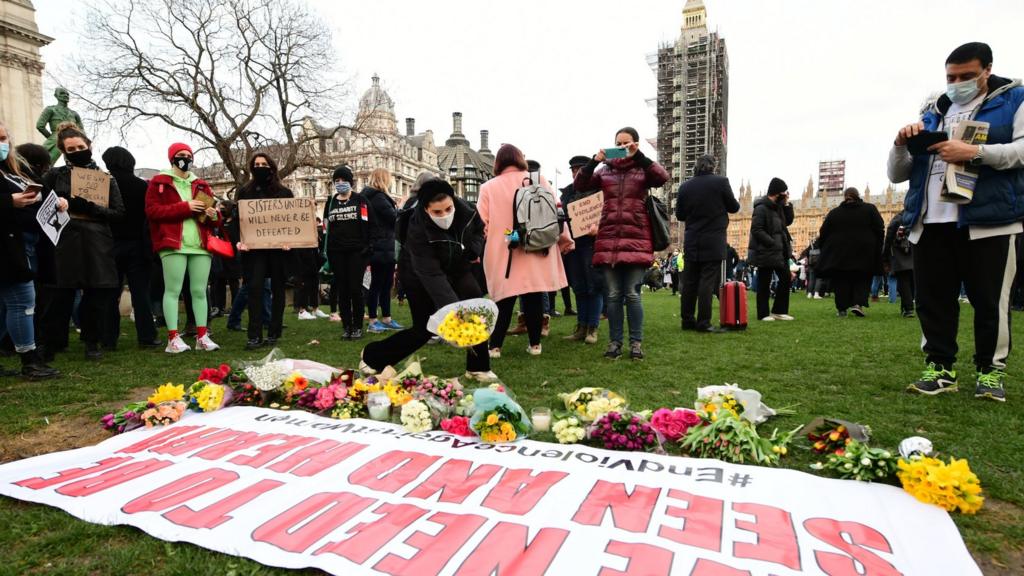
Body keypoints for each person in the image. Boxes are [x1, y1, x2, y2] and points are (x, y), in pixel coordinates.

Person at [889, 42, 1024, 401]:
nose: (958, 82)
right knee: (933, 300)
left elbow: (1021, 151)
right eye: (952, 77)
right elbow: (897, 173)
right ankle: (940, 367)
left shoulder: (1013, 99)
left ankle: (990, 371)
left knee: (990, 301)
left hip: (989, 221)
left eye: (966, 76)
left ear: (987, 69)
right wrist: (900, 144)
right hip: (932, 219)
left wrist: (975, 152)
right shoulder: (934, 109)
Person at [360, 179, 497, 382]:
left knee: (474, 305)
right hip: (418, 273)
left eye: (448, 209)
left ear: (453, 201)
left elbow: (478, 230)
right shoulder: (417, 230)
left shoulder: (467, 210)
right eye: (437, 212)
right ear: (426, 209)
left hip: (457, 266)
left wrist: (473, 250)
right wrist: (453, 315)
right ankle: (373, 355)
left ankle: (478, 367)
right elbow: (432, 276)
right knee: (424, 328)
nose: (444, 215)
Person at [574, 127, 669, 360]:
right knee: (614, 295)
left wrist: (640, 156)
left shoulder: (643, 169)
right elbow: (580, 185)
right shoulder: (605, 171)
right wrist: (593, 162)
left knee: (633, 294)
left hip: (636, 239)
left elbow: (662, 177)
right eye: (619, 143)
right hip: (609, 240)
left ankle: (636, 343)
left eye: (628, 143)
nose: (623, 146)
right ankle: (614, 343)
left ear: (635, 144)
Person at [40, 123, 125, 360]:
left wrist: (90, 207)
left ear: (89, 146)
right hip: (65, 239)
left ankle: (92, 342)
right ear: (63, 151)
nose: (77, 151)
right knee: (61, 293)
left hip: (97, 240)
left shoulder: (106, 179)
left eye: (81, 146)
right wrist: (59, 203)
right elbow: (41, 205)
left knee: (96, 294)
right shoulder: (54, 176)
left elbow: (119, 213)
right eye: (71, 148)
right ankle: (53, 342)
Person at [479, 144, 573, 357]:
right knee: (534, 299)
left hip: (505, 251)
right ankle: (535, 345)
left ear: (498, 162)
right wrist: (565, 240)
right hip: (537, 248)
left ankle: (495, 347)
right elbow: (556, 214)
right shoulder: (539, 180)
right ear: (520, 159)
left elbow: (481, 224)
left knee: (504, 300)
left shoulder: (488, 188)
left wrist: (500, 234)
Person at [145, 142, 220, 353]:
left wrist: (215, 215)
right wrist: (185, 207)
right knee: (173, 290)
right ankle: (173, 338)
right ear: (172, 158)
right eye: (181, 154)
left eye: (189, 154)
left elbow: (213, 218)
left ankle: (202, 335)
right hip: (172, 243)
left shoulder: (202, 184)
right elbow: (152, 212)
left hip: (200, 244)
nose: (186, 158)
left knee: (199, 291)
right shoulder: (158, 182)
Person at [0, 121, 60, 379]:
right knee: (22, 302)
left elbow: (40, 193)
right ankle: (30, 360)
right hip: (7, 246)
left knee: (8, 305)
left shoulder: (12, 170)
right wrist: (8, 201)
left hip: (24, 241)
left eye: (4, 137)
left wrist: (57, 203)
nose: (2, 143)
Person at [101, 146, 160, 349]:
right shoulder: (142, 186)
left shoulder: (104, 185)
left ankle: (109, 338)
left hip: (110, 244)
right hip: (138, 244)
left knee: (110, 294)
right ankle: (147, 336)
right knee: (141, 293)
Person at [675, 154, 740, 332]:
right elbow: (734, 207)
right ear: (713, 166)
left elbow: (680, 215)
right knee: (707, 281)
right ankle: (704, 322)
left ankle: (687, 320)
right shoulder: (721, 182)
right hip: (713, 239)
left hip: (692, 239)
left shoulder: (685, 186)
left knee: (689, 282)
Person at [234, 153, 292, 349]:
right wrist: (240, 241)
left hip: (278, 250)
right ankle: (254, 334)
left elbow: (291, 221)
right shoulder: (244, 192)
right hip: (254, 251)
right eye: (256, 164)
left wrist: (289, 241)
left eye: (264, 164)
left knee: (278, 289)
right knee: (255, 289)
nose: (260, 167)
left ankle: (274, 332)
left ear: (271, 166)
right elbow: (238, 219)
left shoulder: (284, 193)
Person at [816, 187, 885, 317]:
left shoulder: (834, 213)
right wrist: (877, 245)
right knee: (862, 277)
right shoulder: (870, 209)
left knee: (841, 279)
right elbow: (880, 228)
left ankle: (842, 309)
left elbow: (823, 232)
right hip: (864, 251)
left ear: (845, 197)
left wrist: (826, 248)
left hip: (839, 254)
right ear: (858, 196)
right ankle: (857, 304)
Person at [323, 165, 370, 340]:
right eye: (337, 181)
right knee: (342, 290)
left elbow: (369, 224)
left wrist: (368, 247)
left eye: (344, 180)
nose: (340, 183)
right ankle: (347, 326)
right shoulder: (331, 202)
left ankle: (357, 326)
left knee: (355, 289)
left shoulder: (361, 200)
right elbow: (327, 227)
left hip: (357, 252)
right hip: (337, 253)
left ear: (351, 182)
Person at [561, 155, 604, 344]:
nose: (575, 173)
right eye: (573, 170)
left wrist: (599, 228)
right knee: (578, 287)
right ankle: (581, 326)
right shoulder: (568, 191)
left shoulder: (599, 188)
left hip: (592, 244)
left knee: (593, 286)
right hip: (573, 244)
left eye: (579, 169)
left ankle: (592, 327)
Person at [747, 177, 795, 321]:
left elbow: (788, 222)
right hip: (766, 251)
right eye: (784, 193)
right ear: (776, 193)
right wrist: (771, 242)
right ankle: (763, 314)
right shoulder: (761, 208)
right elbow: (756, 229)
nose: (786, 195)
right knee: (764, 282)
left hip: (779, 252)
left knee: (786, 278)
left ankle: (779, 311)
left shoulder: (779, 208)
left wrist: (787, 205)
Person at [362, 168, 402, 333]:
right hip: (382, 245)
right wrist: (400, 209)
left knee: (384, 284)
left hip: (382, 245)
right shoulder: (378, 198)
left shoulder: (369, 197)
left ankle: (386, 317)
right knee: (379, 284)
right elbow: (393, 217)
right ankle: (373, 320)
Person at [883, 210, 916, 318]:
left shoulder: (897, 219)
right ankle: (906, 307)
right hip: (913, 252)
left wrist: (885, 255)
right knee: (910, 282)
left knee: (903, 282)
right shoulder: (915, 217)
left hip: (899, 254)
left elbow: (888, 238)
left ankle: (908, 309)